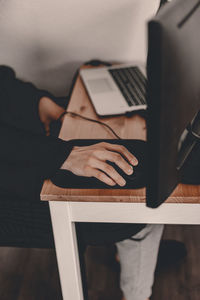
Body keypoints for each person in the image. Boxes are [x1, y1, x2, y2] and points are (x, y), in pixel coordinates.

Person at [0, 65, 165, 300]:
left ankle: (133, 248)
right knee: (137, 208)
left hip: (20, 142)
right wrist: (60, 155)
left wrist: (38, 102)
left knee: (133, 162)